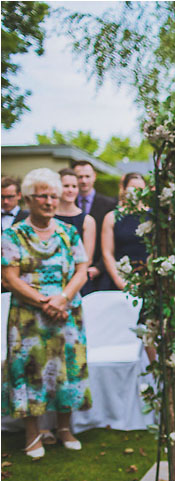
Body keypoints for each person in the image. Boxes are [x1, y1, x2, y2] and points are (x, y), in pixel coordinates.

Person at [1, 168, 91, 458]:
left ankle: (65, 429)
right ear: (29, 198)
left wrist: (62, 299)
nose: (50, 201)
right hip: (29, 318)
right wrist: (45, 302)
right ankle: (33, 433)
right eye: (44, 195)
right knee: (29, 371)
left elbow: (81, 270)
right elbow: (10, 278)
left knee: (67, 370)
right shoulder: (13, 234)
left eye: (54, 195)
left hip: (66, 313)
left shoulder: (69, 232)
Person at [72, 160, 117, 295]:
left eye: (87, 176)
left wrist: (99, 268)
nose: (84, 181)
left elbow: (113, 241)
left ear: (94, 176)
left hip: (99, 272)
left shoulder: (109, 204)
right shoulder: (67, 203)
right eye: (80, 177)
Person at [101, 173, 149, 291]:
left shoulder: (152, 216)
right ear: (124, 189)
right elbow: (107, 253)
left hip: (148, 277)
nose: (137, 192)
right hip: (119, 277)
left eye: (141, 189)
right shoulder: (111, 217)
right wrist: (121, 282)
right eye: (133, 188)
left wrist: (146, 278)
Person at [55, 169, 96, 266]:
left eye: (74, 186)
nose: (70, 190)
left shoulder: (87, 221)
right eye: (66, 186)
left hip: (78, 274)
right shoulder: (49, 217)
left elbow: (87, 259)